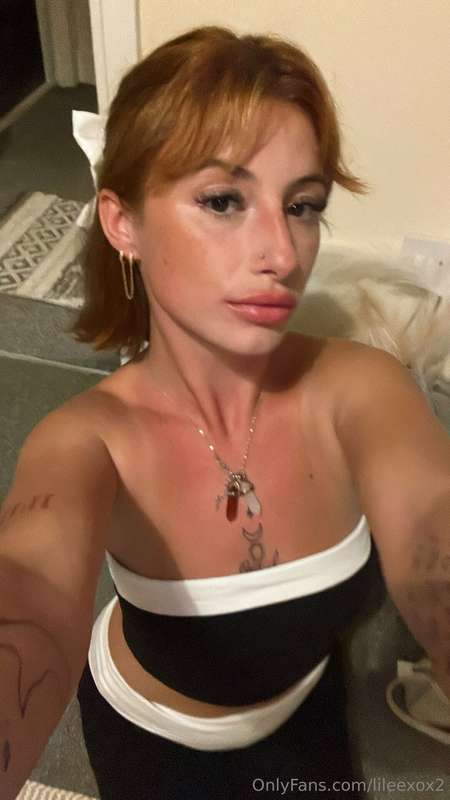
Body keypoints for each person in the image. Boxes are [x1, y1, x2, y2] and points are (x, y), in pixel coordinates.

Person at [2, 24, 449, 800]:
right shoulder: (86, 442)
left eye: (302, 205)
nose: (282, 252)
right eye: (222, 200)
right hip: (152, 740)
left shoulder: (363, 389)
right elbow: (31, 589)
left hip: (308, 708)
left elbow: (431, 528)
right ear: (123, 223)